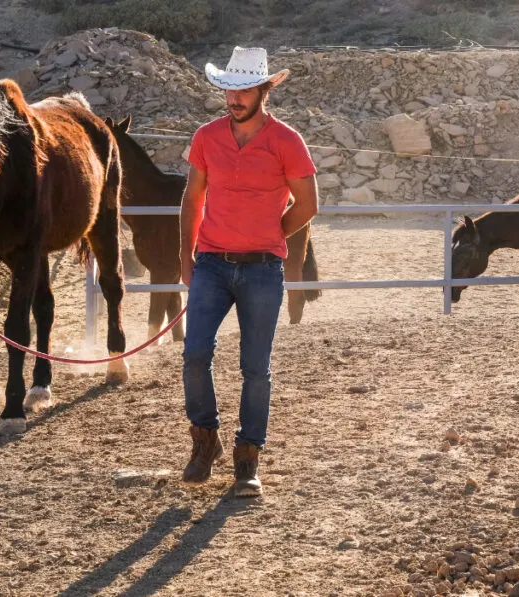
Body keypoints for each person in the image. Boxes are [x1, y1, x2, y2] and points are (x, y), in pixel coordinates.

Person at [179, 46, 319, 497]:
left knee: (255, 367)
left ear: (263, 90)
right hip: (211, 265)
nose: (233, 99)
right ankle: (205, 441)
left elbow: (310, 204)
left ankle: (247, 458)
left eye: (243, 90)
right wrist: (187, 258)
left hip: (262, 269)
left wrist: (271, 232)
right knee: (195, 353)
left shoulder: (287, 142)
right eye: (228, 90)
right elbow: (192, 199)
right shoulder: (206, 137)